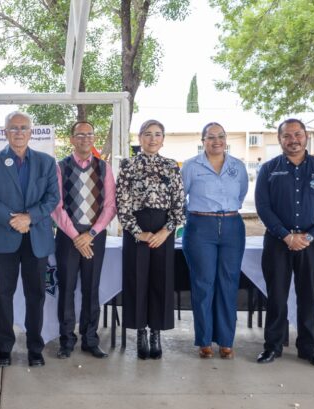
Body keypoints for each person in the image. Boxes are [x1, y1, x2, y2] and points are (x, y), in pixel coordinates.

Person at [255, 119, 314, 368]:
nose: (293, 140)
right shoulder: (269, 169)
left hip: (312, 244)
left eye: (298, 134)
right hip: (277, 242)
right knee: (277, 297)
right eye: (287, 135)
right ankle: (273, 347)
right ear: (279, 139)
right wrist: (286, 235)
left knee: (308, 297)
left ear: (306, 137)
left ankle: (309, 348)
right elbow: (263, 207)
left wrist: (310, 236)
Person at [0, 111, 59, 368]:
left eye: (24, 128)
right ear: (5, 132)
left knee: (36, 295)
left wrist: (30, 218)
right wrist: (13, 219)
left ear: (31, 132)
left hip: (36, 239)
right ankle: (3, 348)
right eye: (14, 128)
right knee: (3, 295)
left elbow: (52, 198)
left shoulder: (46, 162)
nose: (19, 132)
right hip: (4, 236)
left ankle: (35, 348)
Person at [116, 119, 185, 360]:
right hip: (136, 230)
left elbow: (179, 205)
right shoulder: (128, 165)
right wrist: (137, 232)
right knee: (137, 280)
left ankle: (156, 333)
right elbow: (122, 203)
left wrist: (166, 231)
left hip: (163, 230)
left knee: (160, 281)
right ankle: (141, 334)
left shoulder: (171, 166)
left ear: (163, 139)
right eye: (148, 134)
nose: (153, 138)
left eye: (157, 134)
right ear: (140, 138)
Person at [181, 122, 248, 360]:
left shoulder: (237, 166)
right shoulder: (191, 166)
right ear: (203, 141)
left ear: (226, 139)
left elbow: (241, 195)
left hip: (231, 226)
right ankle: (205, 340)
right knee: (203, 284)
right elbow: (181, 199)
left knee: (228, 284)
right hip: (201, 227)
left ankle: (226, 340)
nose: (216, 141)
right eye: (211, 137)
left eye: (220, 136)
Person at [51, 121, 116, 359]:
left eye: (89, 134)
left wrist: (90, 234)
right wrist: (76, 236)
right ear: (72, 139)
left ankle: (90, 340)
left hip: (94, 236)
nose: (85, 138)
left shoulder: (104, 167)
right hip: (68, 237)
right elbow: (56, 206)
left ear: (94, 138)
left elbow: (110, 206)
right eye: (80, 135)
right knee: (66, 288)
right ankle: (67, 340)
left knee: (92, 288)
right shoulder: (60, 167)